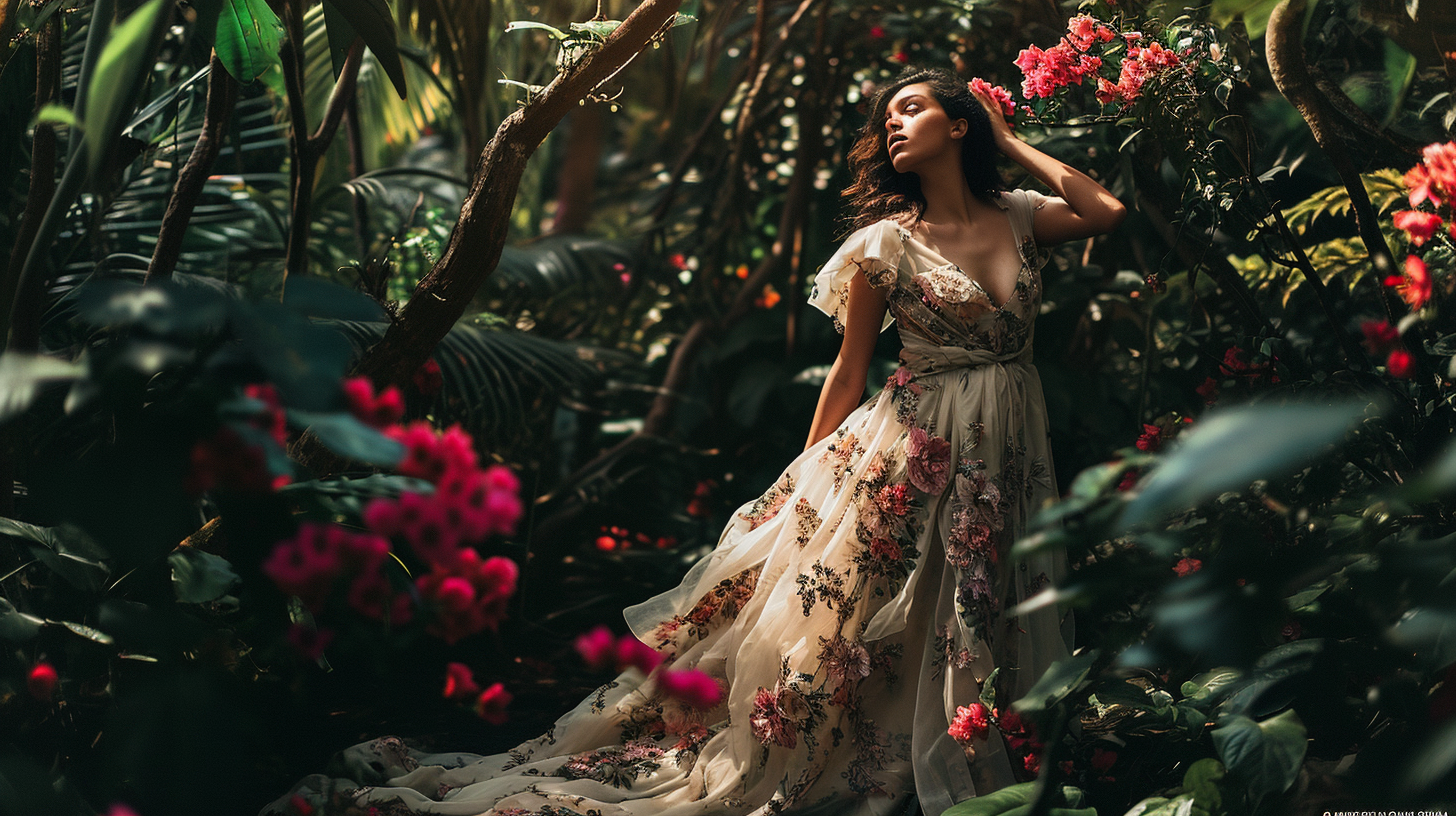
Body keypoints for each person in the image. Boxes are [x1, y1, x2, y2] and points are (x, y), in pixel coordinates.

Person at [262, 65, 1124, 816]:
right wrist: (806, 483)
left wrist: (1011, 140)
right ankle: (886, 756)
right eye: (886, 118)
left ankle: (975, 744)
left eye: (909, 109)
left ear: (960, 123)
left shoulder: (1017, 216)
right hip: (909, 448)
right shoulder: (883, 245)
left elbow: (1104, 210)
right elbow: (847, 372)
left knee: (977, 596)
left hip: (1007, 442)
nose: (892, 125)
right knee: (856, 624)